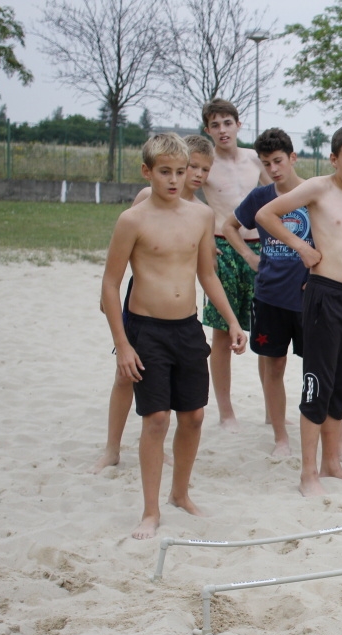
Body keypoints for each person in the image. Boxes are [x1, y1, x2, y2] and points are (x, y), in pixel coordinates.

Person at [100, 133, 247, 539]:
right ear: (147, 172)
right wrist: (123, 345)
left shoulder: (201, 216)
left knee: (194, 417)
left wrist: (233, 321)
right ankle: (150, 511)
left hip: (187, 327)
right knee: (156, 419)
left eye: (180, 172)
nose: (174, 179)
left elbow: (207, 274)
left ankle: (180, 494)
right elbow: (110, 285)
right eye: (165, 172)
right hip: (147, 329)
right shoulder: (133, 220)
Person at [255, 125, 342, 497]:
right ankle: (308, 474)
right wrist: (300, 246)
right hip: (324, 295)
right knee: (317, 385)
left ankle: (331, 464)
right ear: (333, 159)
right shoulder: (317, 188)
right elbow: (266, 214)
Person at [92, 133, 215, 473]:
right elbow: (126, 258)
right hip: (142, 305)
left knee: (175, 398)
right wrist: (111, 306)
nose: (196, 175)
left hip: (180, 316)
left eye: (203, 169)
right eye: (193, 166)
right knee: (126, 374)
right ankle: (112, 448)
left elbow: (203, 270)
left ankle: (159, 449)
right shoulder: (146, 199)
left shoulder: (201, 213)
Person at [223, 128, 311, 457]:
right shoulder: (260, 197)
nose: (273, 169)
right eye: (266, 163)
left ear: (292, 157)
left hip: (308, 298)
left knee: (315, 368)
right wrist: (249, 256)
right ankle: (280, 437)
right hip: (270, 296)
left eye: (278, 161)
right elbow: (230, 226)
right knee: (274, 367)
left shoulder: (314, 192)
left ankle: (322, 434)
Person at [200, 98, 269, 431]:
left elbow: (280, 192)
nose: (222, 130)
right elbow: (184, 198)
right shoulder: (206, 164)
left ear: (238, 124)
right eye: (215, 125)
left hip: (260, 248)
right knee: (223, 332)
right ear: (207, 130)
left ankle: (272, 410)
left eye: (227, 123)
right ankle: (226, 412)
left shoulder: (255, 159)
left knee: (268, 332)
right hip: (223, 249)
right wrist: (203, 240)